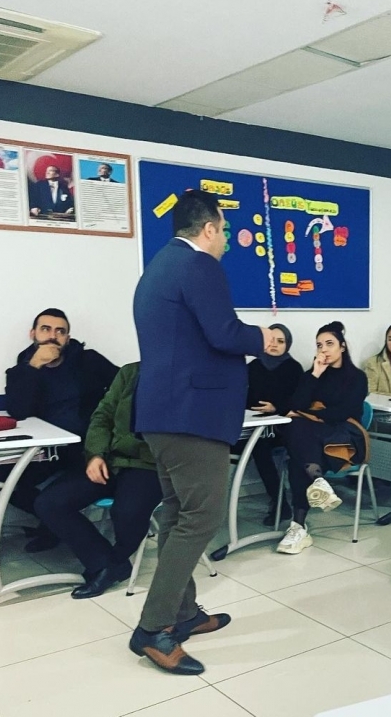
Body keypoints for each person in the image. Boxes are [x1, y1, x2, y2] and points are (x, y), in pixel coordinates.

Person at [130, 189, 273, 676]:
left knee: (178, 514)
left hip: (163, 413)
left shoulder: (158, 266)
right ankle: (153, 628)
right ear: (208, 228)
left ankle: (185, 612)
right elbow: (224, 333)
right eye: (224, 230)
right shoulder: (199, 265)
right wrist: (264, 338)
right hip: (192, 414)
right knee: (201, 517)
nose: (226, 241)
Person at [33, 363, 162, 599]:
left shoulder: (185, 376)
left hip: (151, 465)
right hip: (111, 460)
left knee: (127, 512)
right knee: (49, 502)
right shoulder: (130, 372)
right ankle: (107, 564)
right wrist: (95, 454)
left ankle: (113, 561)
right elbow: (102, 416)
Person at [4, 308, 118, 550]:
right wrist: (34, 365)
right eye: (45, 329)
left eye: (60, 331)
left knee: (54, 500)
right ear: (33, 334)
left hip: (87, 449)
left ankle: (57, 527)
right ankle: (53, 526)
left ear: (67, 338)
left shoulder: (88, 361)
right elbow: (18, 411)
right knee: (7, 480)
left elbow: (125, 388)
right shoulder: (24, 366)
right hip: (49, 451)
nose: (52, 336)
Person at [276, 322, 368, 555]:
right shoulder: (313, 375)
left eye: (329, 344)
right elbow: (296, 403)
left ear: (342, 347)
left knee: (298, 442)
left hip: (343, 437)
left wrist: (308, 413)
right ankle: (317, 482)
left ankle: (299, 526)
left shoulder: (357, 377)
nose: (323, 349)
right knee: (296, 435)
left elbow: (342, 413)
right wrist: (315, 374)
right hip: (314, 437)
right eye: (319, 345)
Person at [246, 322, 303, 525]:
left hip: (282, 426)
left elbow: (298, 401)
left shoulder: (293, 368)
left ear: (287, 345)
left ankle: (281, 504)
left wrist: (275, 407)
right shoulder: (253, 366)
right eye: (271, 340)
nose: (275, 345)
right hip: (252, 424)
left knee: (260, 447)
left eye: (281, 341)